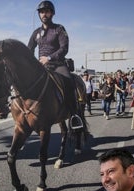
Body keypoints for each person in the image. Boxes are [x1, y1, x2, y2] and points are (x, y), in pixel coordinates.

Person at [27, 0, 83, 129]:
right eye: (41, 12)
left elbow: (64, 48)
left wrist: (49, 58)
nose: (44, 14)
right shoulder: (36, 33)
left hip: (58, 65)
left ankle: (74, 115)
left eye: (46, 11)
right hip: (42, 67)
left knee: (68, 81)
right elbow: (29, 50)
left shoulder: (59, 29)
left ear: (52, 13)